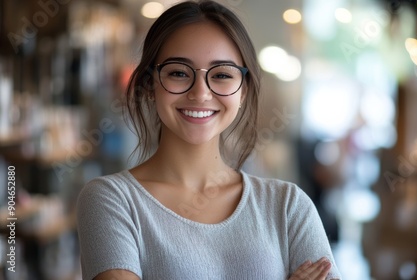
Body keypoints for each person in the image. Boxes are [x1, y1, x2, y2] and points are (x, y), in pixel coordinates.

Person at [76, 1, 342, 279]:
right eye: (179, 72)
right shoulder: (111, 201)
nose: (200, 93)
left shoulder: (288, 206)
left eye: (222, 75)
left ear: (243, 91)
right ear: (149, 84)